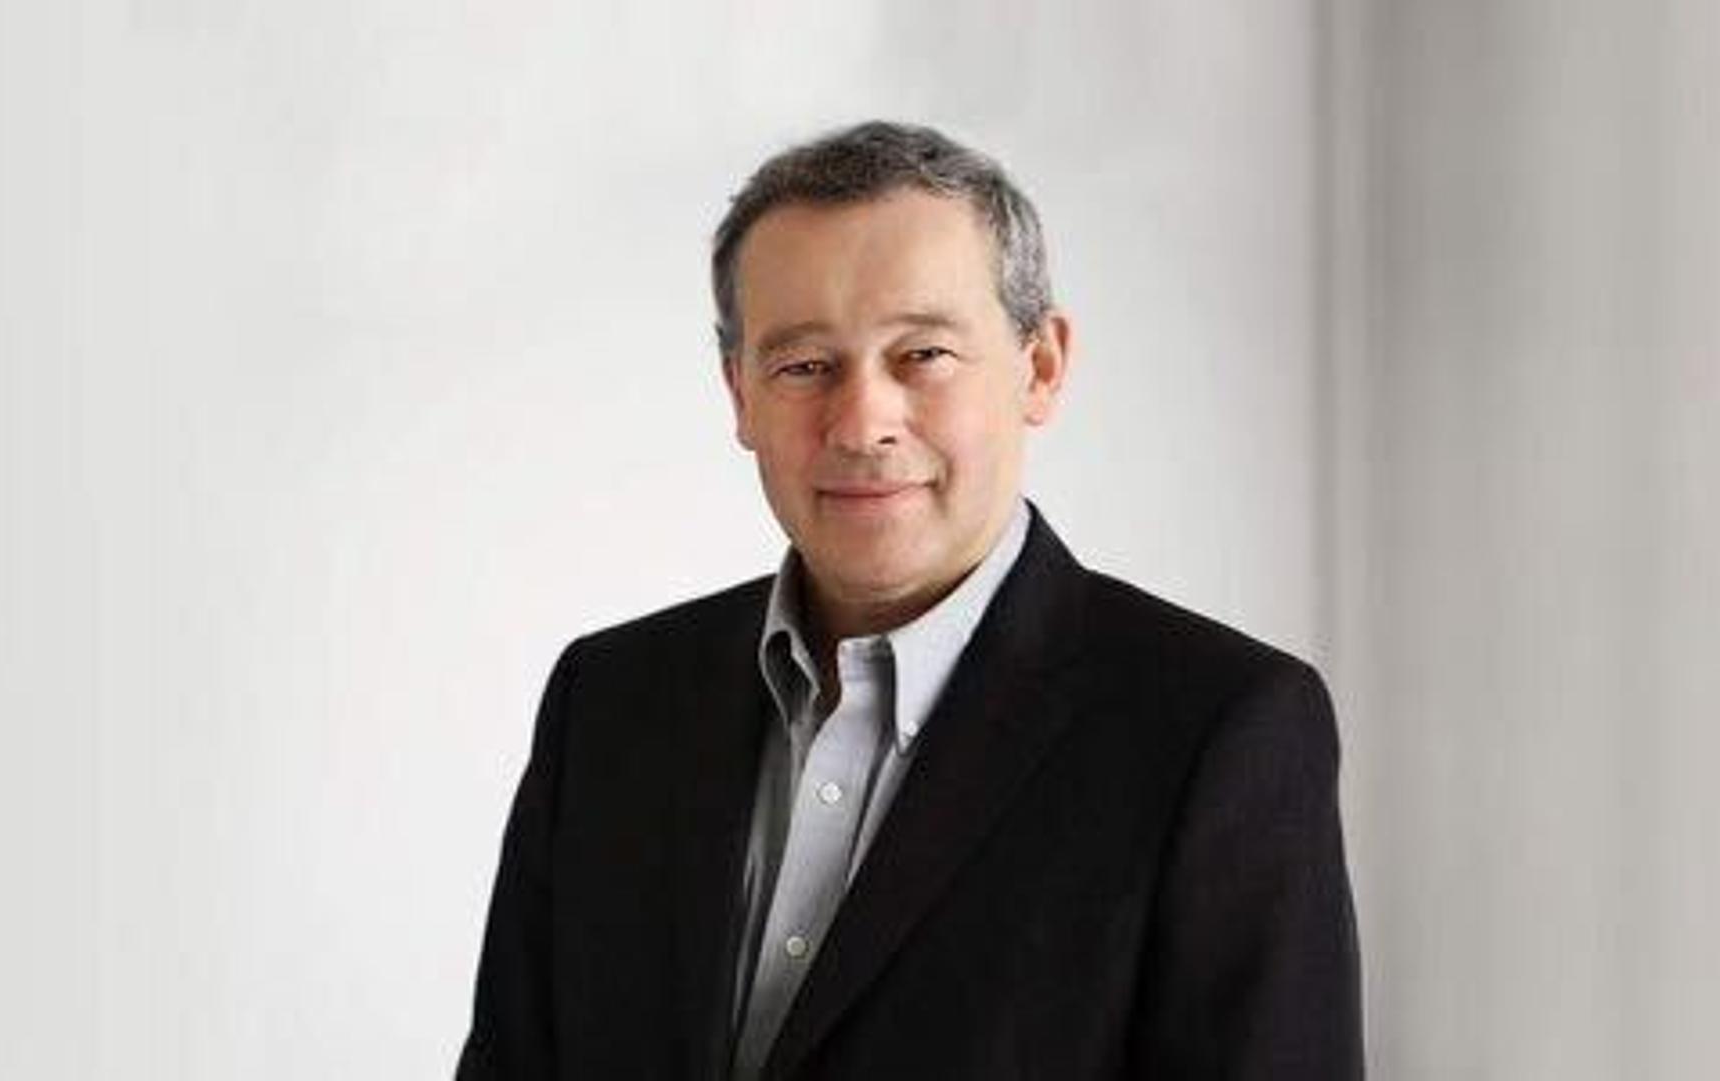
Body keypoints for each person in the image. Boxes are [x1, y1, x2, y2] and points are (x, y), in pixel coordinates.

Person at [454, 120, 1362, 1080]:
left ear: (1040, 365)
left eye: (922, 354)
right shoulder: (610, 701)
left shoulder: (1218, 731)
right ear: (740, 396)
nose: (862, 421)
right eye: (804, 365)